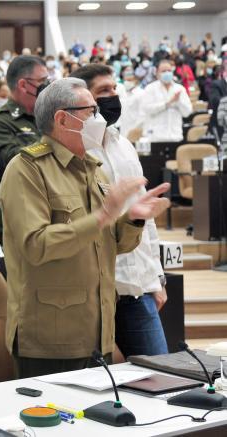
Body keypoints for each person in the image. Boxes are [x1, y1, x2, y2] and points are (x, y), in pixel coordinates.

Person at [0, 77, 171, 378]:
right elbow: (36, 245)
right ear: (62, 119)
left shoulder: (92, 168)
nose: (98, 118)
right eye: (90, 111)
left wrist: (132, 218)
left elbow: (111, 244)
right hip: (51, 337)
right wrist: (103, 216)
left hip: (98, 329)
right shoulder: (26, 169)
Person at [70, 64, 169, 358]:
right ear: (84, 99)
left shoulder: (123, 144)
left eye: (114, 89)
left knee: (160, 374)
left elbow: (144, 217)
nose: (113, 96)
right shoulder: (74, 147)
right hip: (93, 287)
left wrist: (157, 278)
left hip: (137, 287)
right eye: (103, 91)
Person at [0, 55, 46, 187]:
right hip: (21, 200)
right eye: (42, 81)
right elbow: (10, 159)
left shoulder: (49, 115)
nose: (47, 86)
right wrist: (51, 143)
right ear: (23, 85)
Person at [141, 60, 192, 142]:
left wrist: (178, 101)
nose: (167, 73)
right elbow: (147, 109)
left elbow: (187, 112)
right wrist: (167, 103)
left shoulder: (180, 89)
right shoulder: (150, 89)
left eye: (169, 70)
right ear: (157, 73)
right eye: (164, 71)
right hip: (155, 137)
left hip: (175, 136)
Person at [117, 65, 145, 136]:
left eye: (130, 80)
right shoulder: (121, 93)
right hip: (123, 131)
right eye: (126, 80)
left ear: (135, 79)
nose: (127, 82)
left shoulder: (141, 93)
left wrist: (133, 130)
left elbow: (142, 115)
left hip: (136, 132)